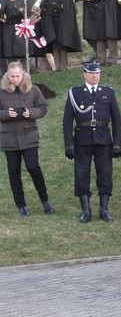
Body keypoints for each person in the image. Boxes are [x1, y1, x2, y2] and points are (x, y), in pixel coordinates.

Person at [63, 62, 121, 223]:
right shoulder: (75, 93)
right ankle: (86, 210)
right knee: (81, 174)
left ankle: (104, 209)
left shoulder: (108, 92)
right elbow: (67, 121)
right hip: (82, 139)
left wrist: (117, 143)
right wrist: (69, 144)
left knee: (105, 174)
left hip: (103, 139)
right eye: (91, 73)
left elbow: (117, 119)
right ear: (84, 74)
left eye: (97, 73)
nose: (95, 76)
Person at [0, 62, 52, 216]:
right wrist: (7, 114)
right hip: (9, 138)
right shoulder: (1, 91)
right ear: (7, 76)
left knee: (33, 167)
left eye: (17, 76)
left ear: (23, 74)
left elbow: (43, 108)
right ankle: (21, 205)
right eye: (12, 76)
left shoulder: (33, 89)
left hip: (29, 136)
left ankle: (45, 201)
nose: (15, 79)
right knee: (14, 172)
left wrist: (30, 112)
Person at [38, 0, 81, 71]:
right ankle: (57, 67)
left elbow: (68, 6)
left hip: (63, 20)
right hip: (51, 21)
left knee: (63, 43)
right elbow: (44, 3)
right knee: (55, 44)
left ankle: (63, 66)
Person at [0, 0, 41, 66]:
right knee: (10, 54)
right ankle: (12, 73)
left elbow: (34, 11)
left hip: (23, 27)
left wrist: (27, 13)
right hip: (9, 27)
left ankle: (24, 75)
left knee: (24, 53)